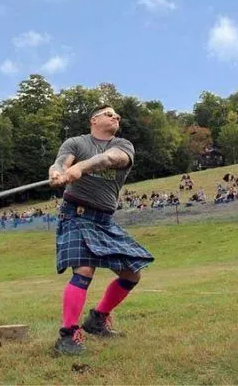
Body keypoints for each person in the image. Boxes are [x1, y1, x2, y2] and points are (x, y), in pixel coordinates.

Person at [48, 104, 155, 356]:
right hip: (76, 213)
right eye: (109, 114)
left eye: (117, 114)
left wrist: (80, 169)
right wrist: (57, 174)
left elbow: (110, 160)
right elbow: (60, 163)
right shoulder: (75, 142)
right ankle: (68, 335)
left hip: (104, 220)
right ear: (94, 120)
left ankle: (97, 319)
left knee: (132, 274)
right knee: (84, 269)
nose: (116, 116)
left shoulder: (124, 145)